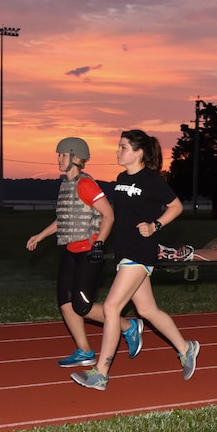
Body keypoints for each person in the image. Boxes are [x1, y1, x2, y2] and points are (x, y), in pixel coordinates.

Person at [70, 130, 199, 390]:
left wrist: (155, 226)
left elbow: (176, 206)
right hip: (125, 251)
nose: (118, 151)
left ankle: (101, 373)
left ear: (139, 153)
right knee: (147, 310)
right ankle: (186, 348)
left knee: (111, 308)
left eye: (124, 147)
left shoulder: (152, 180)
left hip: (141, 251)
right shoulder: (119, 179)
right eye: (119, 146)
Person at [26, 138, 143, 368]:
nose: (58, 159)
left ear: (75, 158)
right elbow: (66, 219)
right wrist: (40, 236)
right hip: (71, 250)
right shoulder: (66, 185)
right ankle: (84, 351)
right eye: (58, 155)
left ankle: (128, 326)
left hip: (89, 251)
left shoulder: (85, 185)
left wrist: (99, 244)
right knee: (65, 302)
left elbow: (108, 215)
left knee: (82, 306)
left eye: (62, 155)